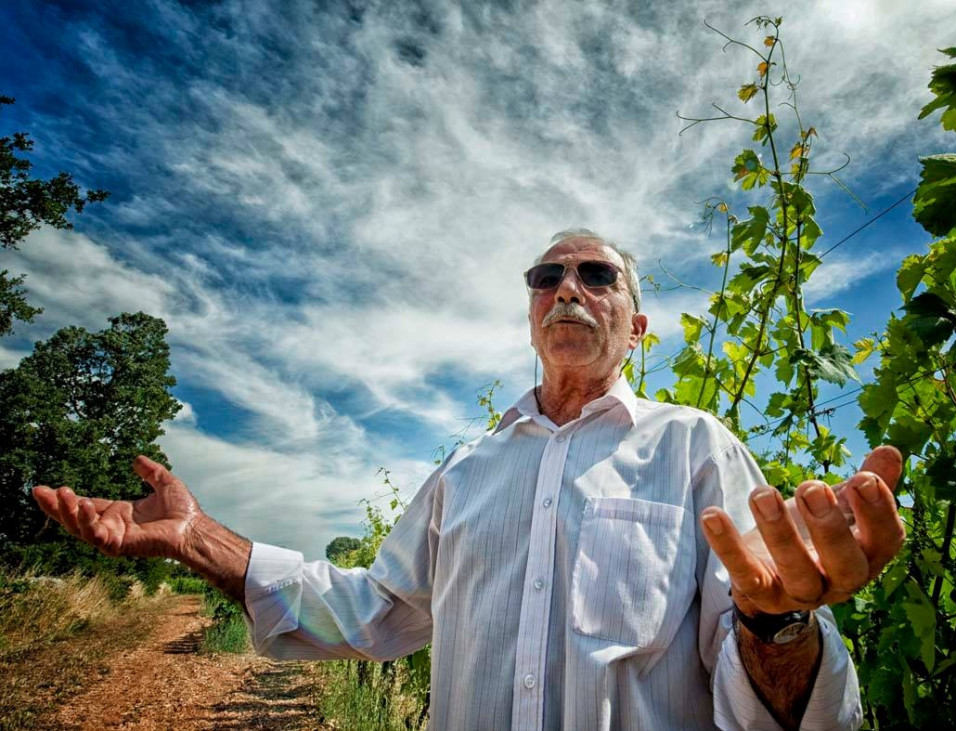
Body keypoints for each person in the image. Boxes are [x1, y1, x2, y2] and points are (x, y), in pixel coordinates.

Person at [33, 229, 905, 730]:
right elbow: (372, 608)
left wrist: (779, 624)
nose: (568, 288)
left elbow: (767, 665)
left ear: (636, 326)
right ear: (531, 313)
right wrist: (196, 538)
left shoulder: (693, 447)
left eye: (596, 275)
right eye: (547, 277)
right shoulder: (467, 470)